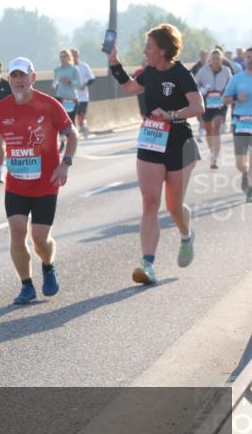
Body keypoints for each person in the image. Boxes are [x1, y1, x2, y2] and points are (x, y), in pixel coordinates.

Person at [107, 24, 204, 285]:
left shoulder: (181, 73)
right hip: (151, 139)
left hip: (179, 142)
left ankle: (186, 235)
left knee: (173, 206)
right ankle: (147, 265)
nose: (144, 50)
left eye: (148, 46)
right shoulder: (149, 72)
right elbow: (130, 88)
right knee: (150, 201)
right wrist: (114, 62)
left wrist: (171, 114)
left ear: (162, 50)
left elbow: (198, 107)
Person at [0, 57, 76, 305]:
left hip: (46, 184)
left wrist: (65, 164)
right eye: (14, 76)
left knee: (40, 238)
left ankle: (48, 265)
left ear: (32, 78)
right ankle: (26, 285)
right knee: (17, 232)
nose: (19, 80)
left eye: (23, 75)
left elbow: (71, 135)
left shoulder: (49, 105)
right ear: (8, 79)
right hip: (16, 184)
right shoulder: (1, 108)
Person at [194, 49, 233, 169]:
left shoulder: (226, 70)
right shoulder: (203, 70)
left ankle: (215, 158)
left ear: (221, 60)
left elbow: (231, 84)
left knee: (216, 127)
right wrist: (202, 89)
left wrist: (227, 93)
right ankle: (212, 152)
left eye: (218, 59)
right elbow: (195, 83)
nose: (215, 61)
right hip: (207, 102)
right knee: (208, 130)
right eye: (213, 59)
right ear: (210, 60)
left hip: (220, 103)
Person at [223, 47, 252, 202]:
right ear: (244, 59)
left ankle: (250, 190)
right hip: (240, 124)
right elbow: (224, 99)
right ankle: (245, 173)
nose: (250, 60)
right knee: (241, 164)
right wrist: (236, 97)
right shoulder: (237, 78)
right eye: (248, 57)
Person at [52, 49, 81, 152]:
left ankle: (72, 142)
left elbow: (78, 84)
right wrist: (54, 84)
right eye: (61, 57)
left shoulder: (74, 69)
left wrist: (69, 82)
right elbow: (55, 81)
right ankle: (62, 142)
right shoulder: (57, 70)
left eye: (64, 56)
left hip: (70, 99)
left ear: (69, 57)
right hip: (60, 98)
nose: (62, 59)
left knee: (70, 122)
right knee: (60, 123)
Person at [70, 49, 96, 138]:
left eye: (75, 55)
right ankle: (74, 133)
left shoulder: (84, 66)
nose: (74, 57)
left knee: (81, 114)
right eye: (72, 55)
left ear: (78, 56)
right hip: (71, 96)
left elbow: (92, 79)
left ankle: (83, 127)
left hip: (83, 96)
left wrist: (85, 85)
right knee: (71, 115)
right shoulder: (68, 67)